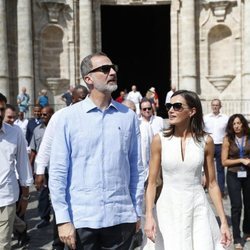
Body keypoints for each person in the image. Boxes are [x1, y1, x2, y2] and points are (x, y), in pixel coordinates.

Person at [49, 52, 144, 250]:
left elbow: (136, 168)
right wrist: (62, 219)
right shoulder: (67, 118)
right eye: (104, 69)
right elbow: (58, 172)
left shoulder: (128, 117)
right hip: (82, 219)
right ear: (88, 79)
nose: (112, 72)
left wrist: (137, 210)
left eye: (112, 68)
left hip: (121, 217)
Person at [144, 90, 231, 250]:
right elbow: (151, 183)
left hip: (197, 207)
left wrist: (224, 222)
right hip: (167, 209)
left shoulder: (206, 141)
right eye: (169, 106)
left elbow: (212, 184)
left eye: (177, 106)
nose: (170, 110)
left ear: (192, 111)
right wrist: (149, 215)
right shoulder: (159, 140)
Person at [34, 85, 88, 250]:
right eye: (79, 99)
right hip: (64, 176)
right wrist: (40, 171)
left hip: (84, 179)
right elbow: (46, 144)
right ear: (73, 98)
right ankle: (58, 244)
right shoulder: (61, 116)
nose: (82, 102)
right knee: (61, 213)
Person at [0, 93, 33, 250]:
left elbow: (23, 165)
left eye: (1, 109)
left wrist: (25, 196)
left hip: (6, 197)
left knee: (4, 244)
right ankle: (20, 225)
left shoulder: (15, 133)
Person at [221, 114, 250, 249]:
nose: (237, 126)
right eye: (234, 124)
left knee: (249, 205)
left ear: (243, 124)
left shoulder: (248, 137)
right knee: (236, 206)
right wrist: (241, 160)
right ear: (231, 126)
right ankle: (237, 238)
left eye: (239, 123)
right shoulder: (228, 139)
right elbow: (224, 161)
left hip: (248, 174)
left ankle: (247, 230)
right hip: (233, 175)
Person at [29, 106, 54, 229]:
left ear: (51, 114)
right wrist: (31, 166)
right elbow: (33, 150)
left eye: (45, 114)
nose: (42, 116)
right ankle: (44, 218)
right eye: (42, 114)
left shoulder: (58, 128)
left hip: (55, 167)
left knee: (56, 194)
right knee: (43, 194)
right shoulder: (37, 130)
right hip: (41, 168)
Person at [204, 99, 229, 198]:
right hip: (208, 145)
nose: (215, 107)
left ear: (220, 106)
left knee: (220, 169)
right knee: (206, 167)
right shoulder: (205, 118)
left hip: (220, 145)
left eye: (217, 105)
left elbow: (229, 130)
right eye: (213, 105)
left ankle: (221, 191)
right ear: (211, 106)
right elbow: (201, 129)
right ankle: (206, 186)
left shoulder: (225, 118)